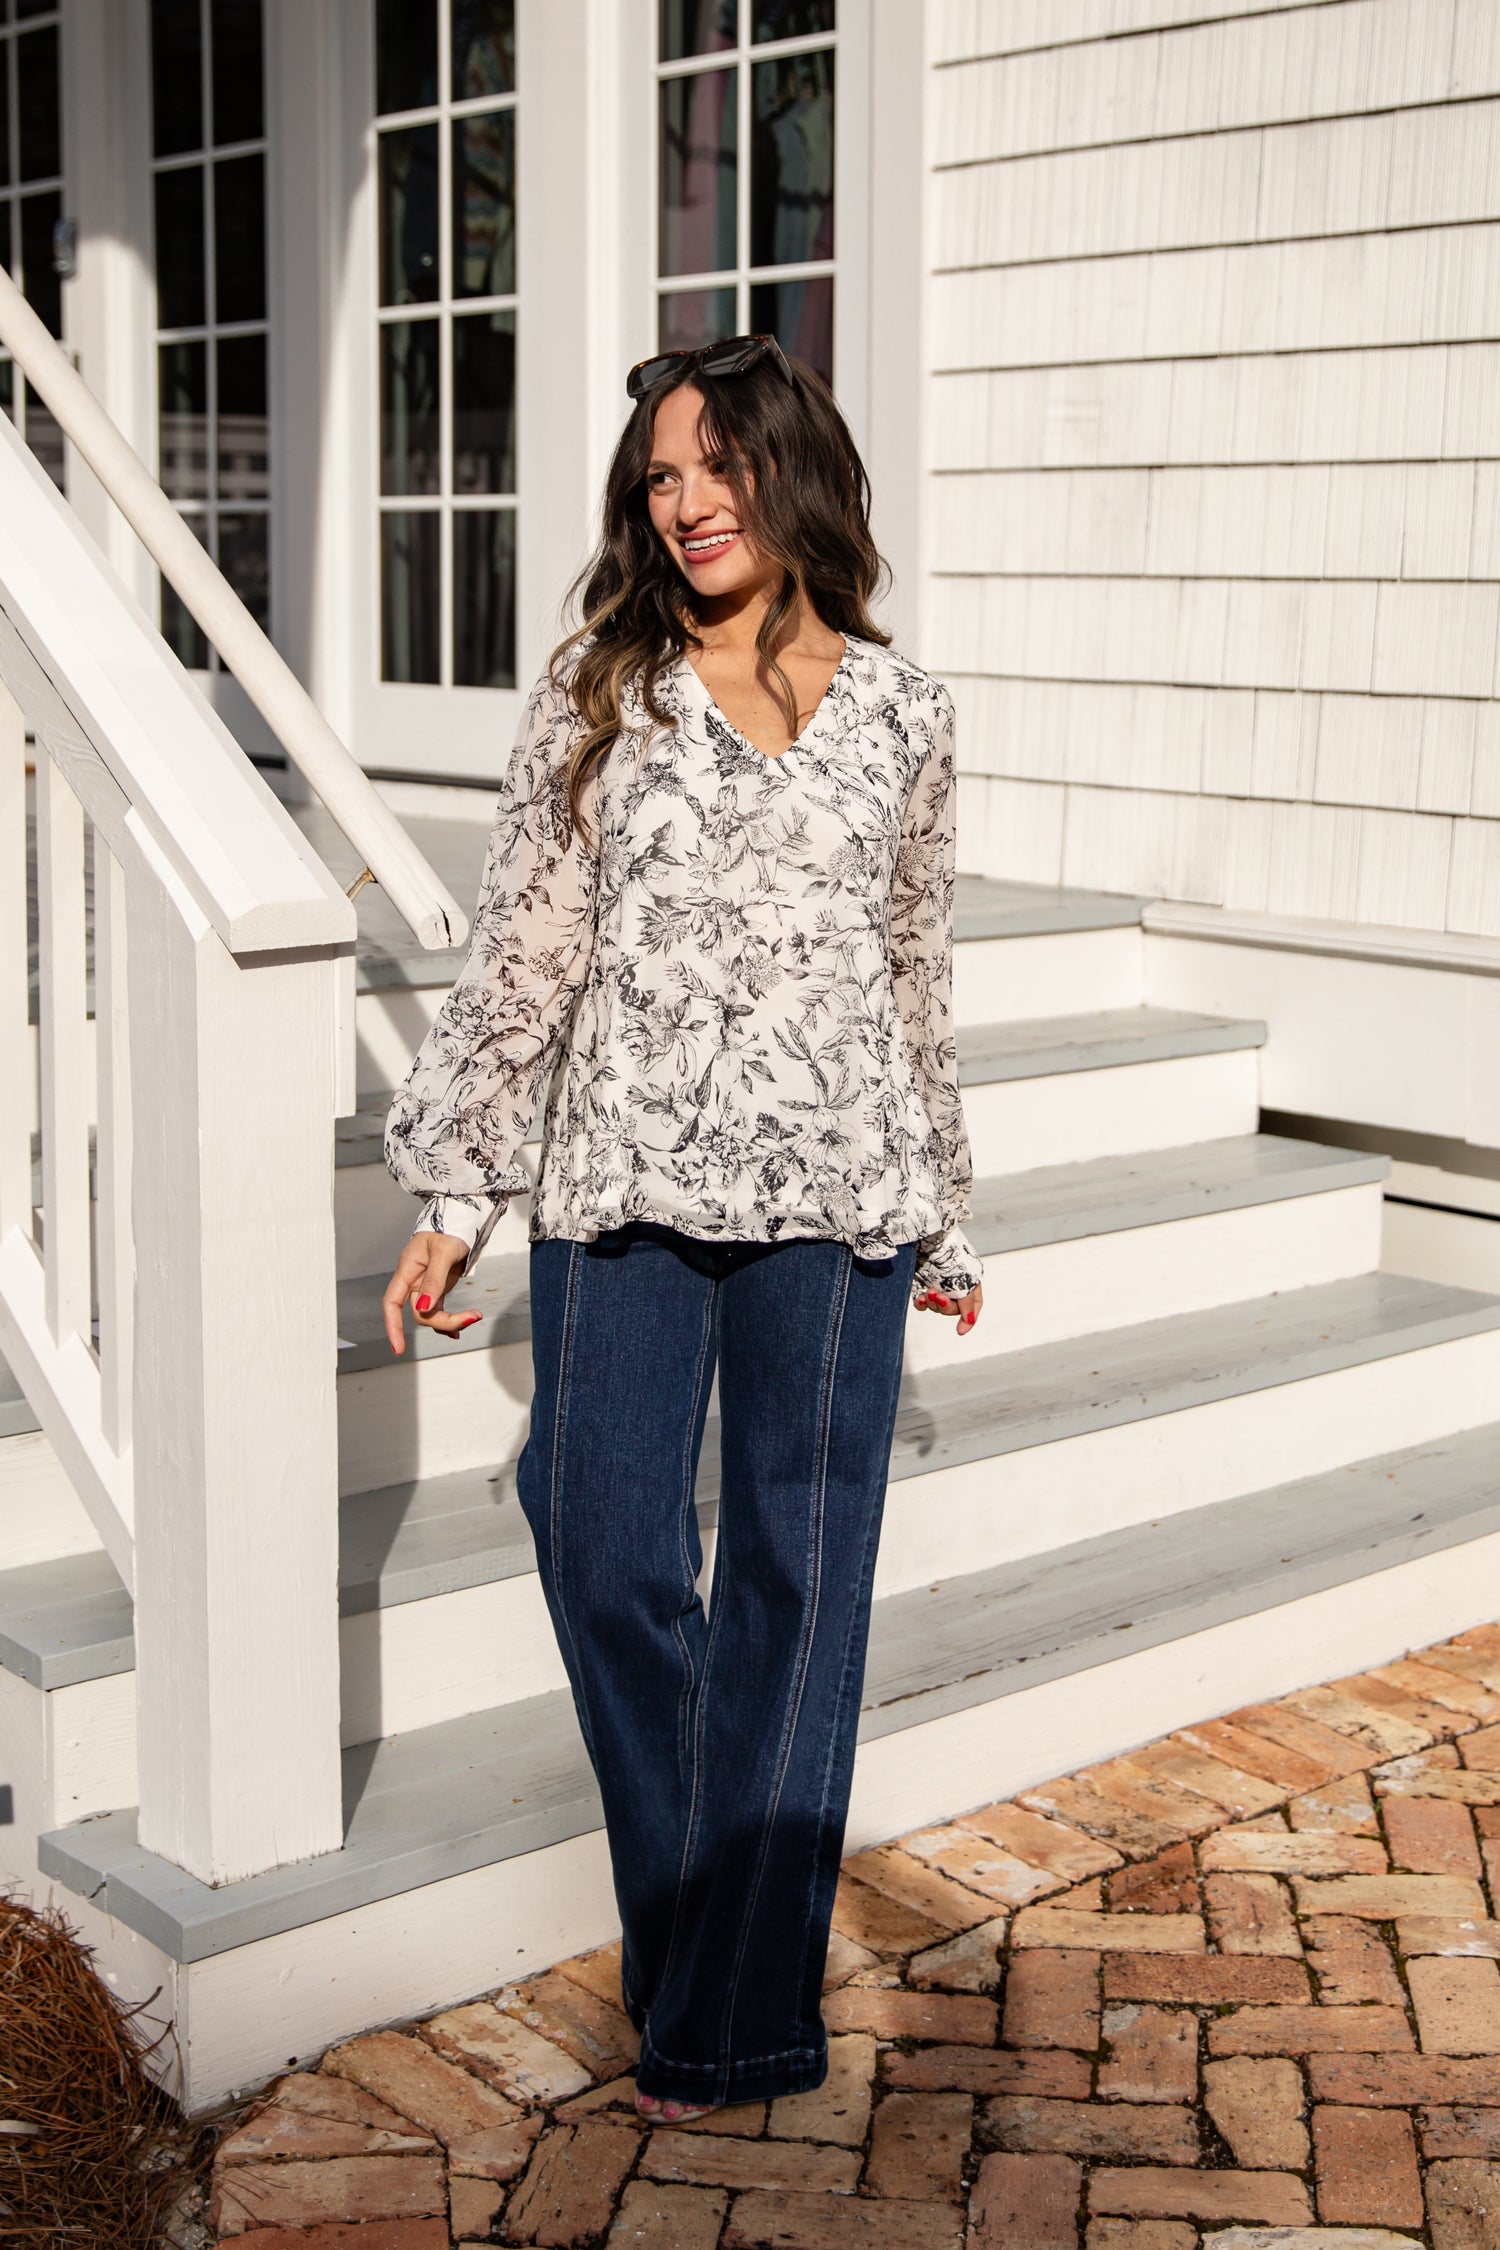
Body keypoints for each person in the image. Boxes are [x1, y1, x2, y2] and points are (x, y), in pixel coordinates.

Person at [380, 333, 984, 2121]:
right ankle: (701, 1934)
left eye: (718, 464)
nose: (689, 500)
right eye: (662, 475)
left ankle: (728, 2021)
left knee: (804, 1587)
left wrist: (937, 1201)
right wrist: (458, 1182)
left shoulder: (905, 711)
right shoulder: (598, 688)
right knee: (601, 1534)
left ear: (792, 474)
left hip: (838, 1198)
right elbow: (527, 953)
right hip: (623, 1184)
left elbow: (910, 976)